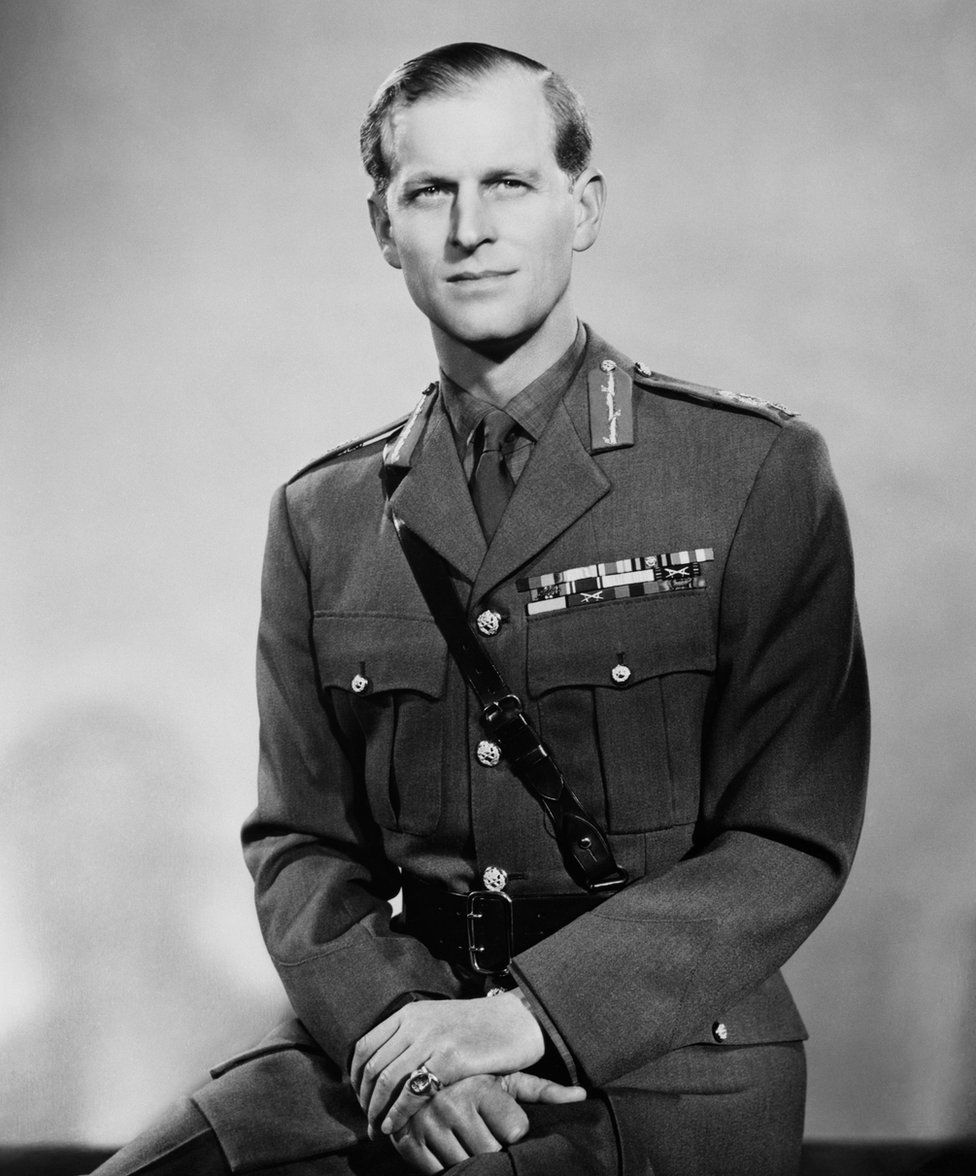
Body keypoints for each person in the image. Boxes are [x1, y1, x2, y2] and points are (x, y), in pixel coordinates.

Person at [95, 41, 869, 1176]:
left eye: (508, 182)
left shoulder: (751, 472)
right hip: (397, 1031)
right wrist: (392, 1040)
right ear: (382, 227)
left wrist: (523, 1016)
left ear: (581, 205)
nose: (470, 227)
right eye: (429, 191)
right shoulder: (325, 515)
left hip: (646, 1060)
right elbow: (302, 841)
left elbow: (788, 838)